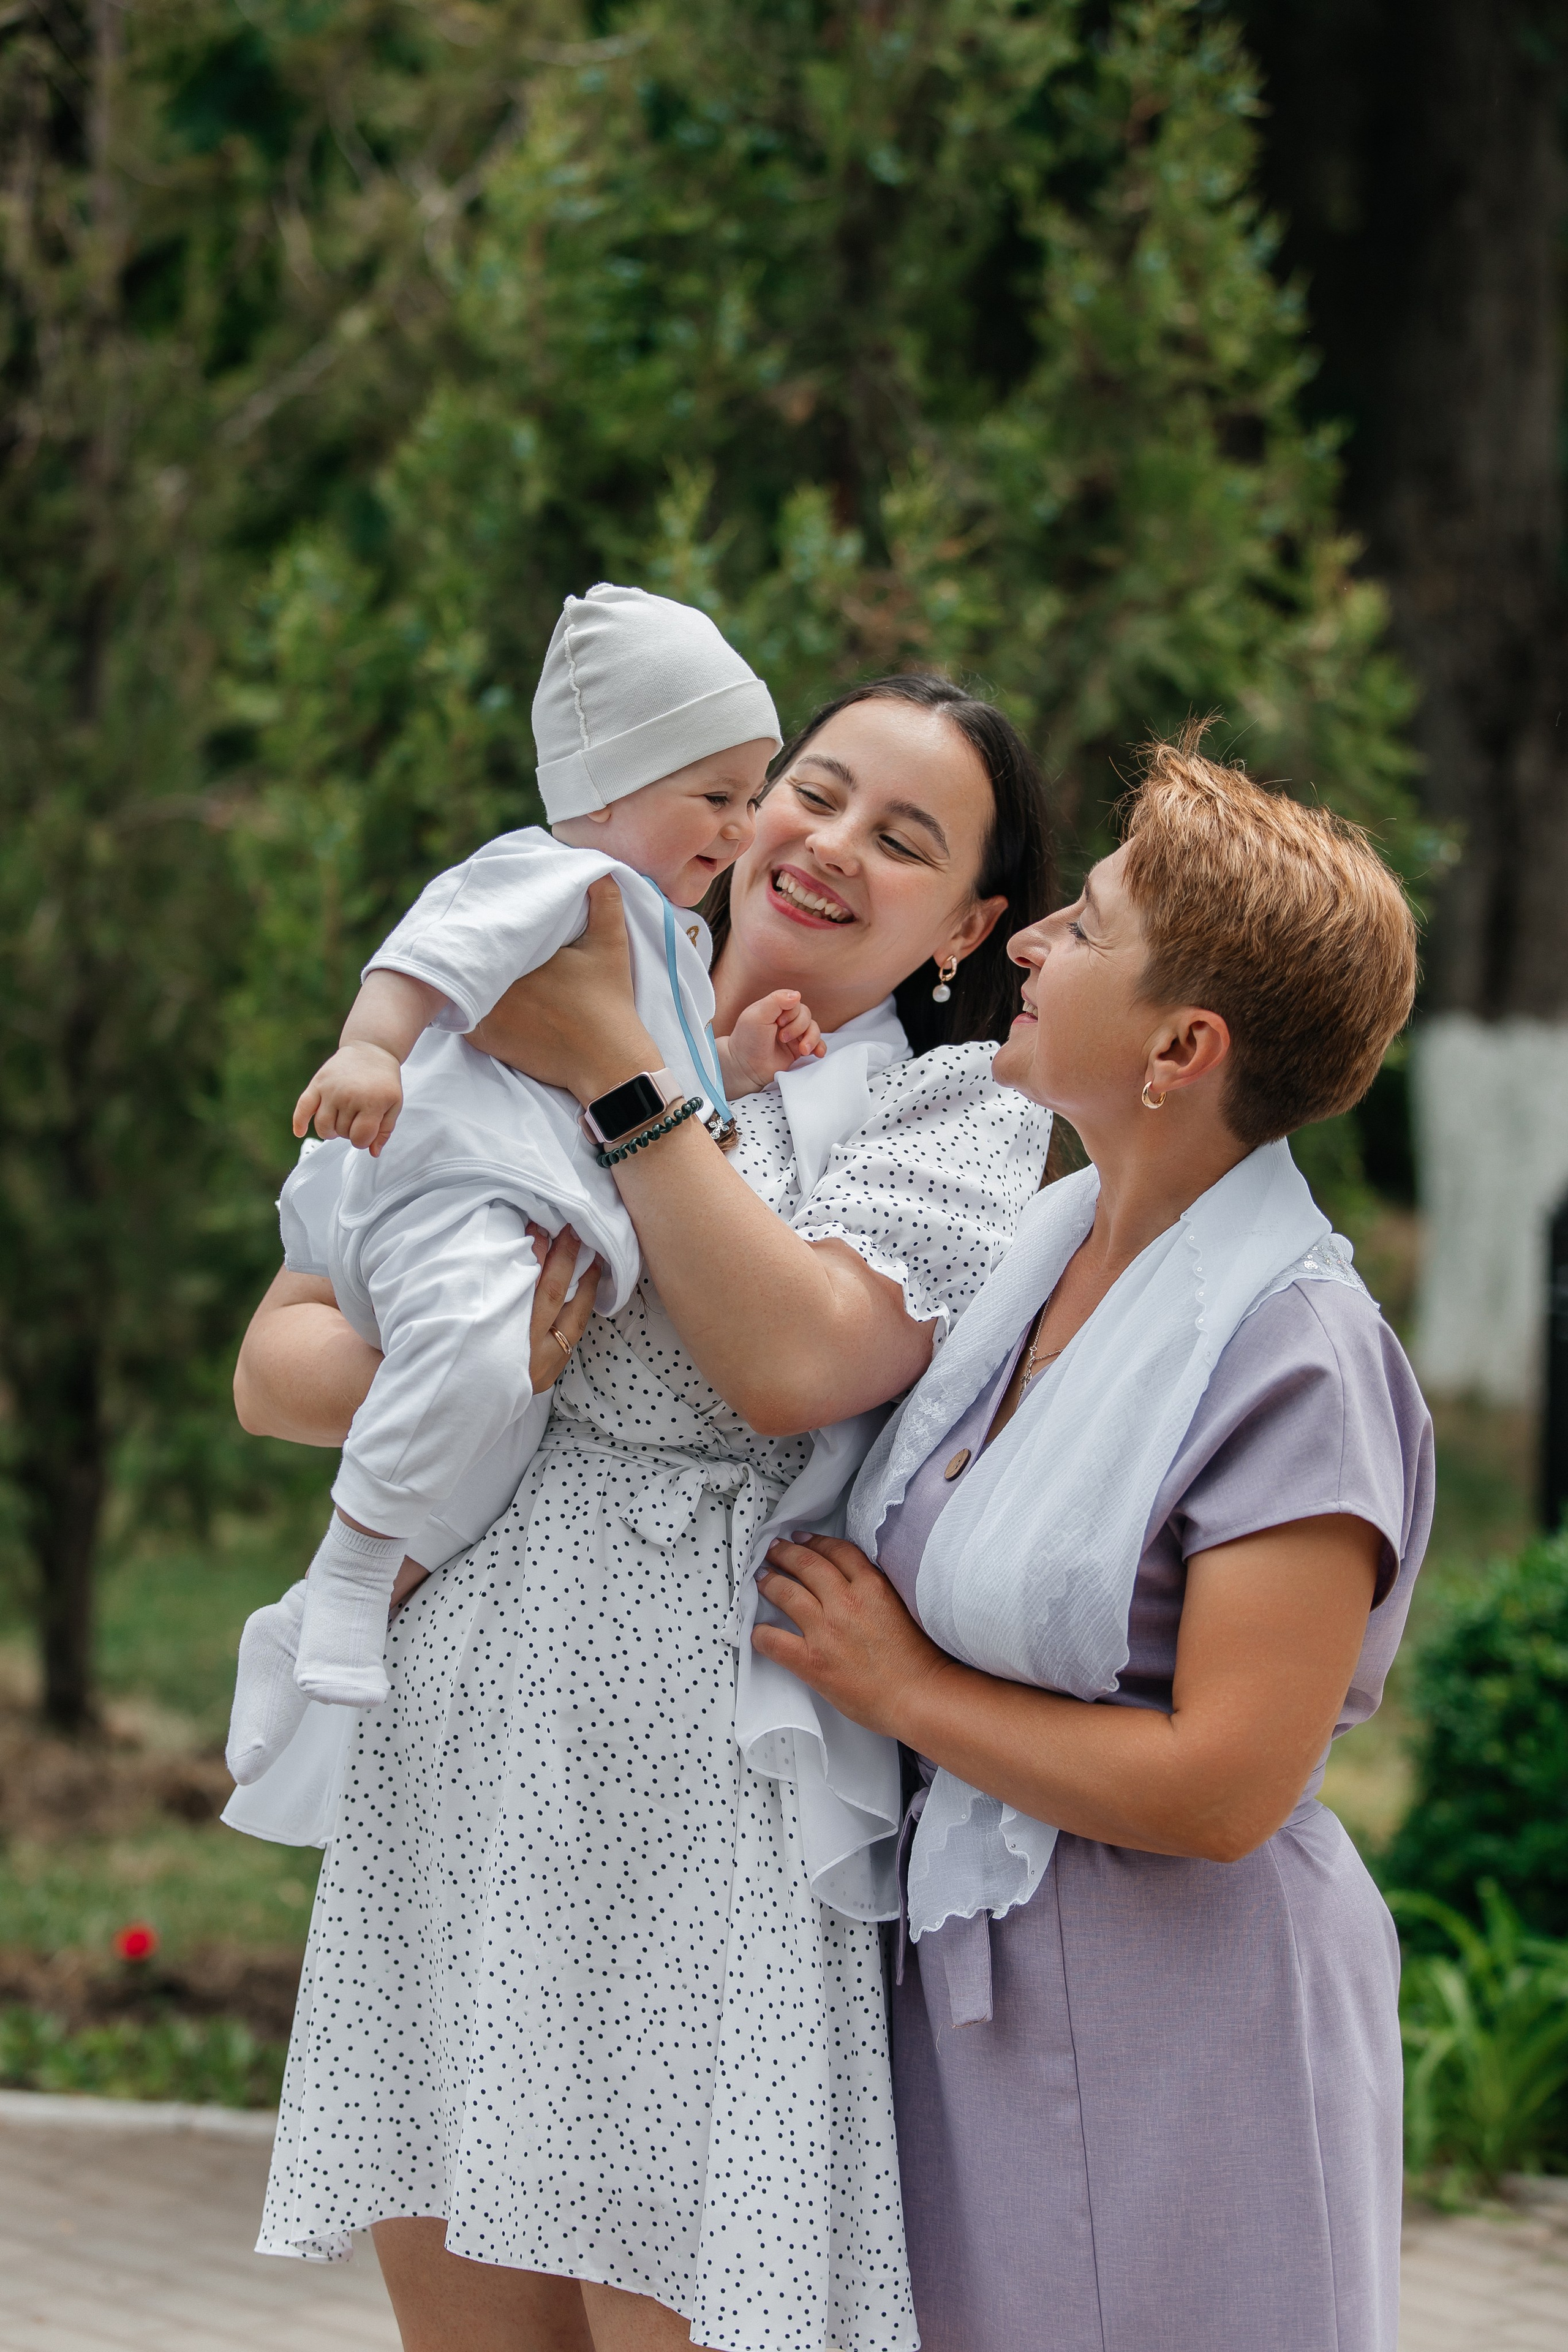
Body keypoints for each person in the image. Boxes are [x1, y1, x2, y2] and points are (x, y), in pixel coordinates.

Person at [232, 673, 1055, 2352]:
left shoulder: (954, 1112)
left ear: (970, 921)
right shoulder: (531, 978)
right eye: (811, 793)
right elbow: (280, 1352)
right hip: (458, 1732)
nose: (826, 846)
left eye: (902, 840)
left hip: (697, 1784)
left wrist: (615, 1066)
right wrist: (477, 1364)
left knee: (670, 2312)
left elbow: (790, 1356)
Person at [753, 729, 1432, 2352]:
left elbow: (1224, 1787)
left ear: (1181, 1045)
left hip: (1196, 2035)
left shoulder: (1296, 1349)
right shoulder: (1034, 1249)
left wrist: (902, 1689)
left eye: (1091, 925)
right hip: (977, 2012)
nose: (1038, 944)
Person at [225, 583, 818, 1767]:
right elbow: (425, 955)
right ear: (606, 789)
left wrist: (737, 1066)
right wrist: (369, 1048)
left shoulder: (665, 934)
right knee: (477, 1352)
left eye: (752, 798)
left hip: (516, 1215)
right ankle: (348, 1573)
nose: (743, 829)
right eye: (716, 798)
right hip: (452, 1187)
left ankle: (329, 1613)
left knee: (485, 1447)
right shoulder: (552, 879)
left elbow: (659, 1081)